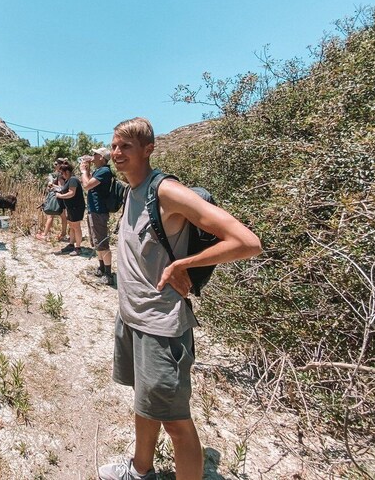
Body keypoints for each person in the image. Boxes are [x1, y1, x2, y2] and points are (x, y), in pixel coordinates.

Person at [98, 118, 262, 480]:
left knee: (176, 423)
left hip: (162, 327)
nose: (117, 153)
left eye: (126, 146)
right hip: (132, 318)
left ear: (148, 149)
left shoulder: (166, 191)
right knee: (144, 399)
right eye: (114, 146)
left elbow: (247, 241)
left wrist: (185, 264)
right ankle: (140, 469)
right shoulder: (130, 193)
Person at [79, 147, 114, 285]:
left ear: (101, 157)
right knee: (97, 242)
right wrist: (87, 171)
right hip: (94, 210)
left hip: (99, 211)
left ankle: (108, 274)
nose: (92, 156)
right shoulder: (99, 171)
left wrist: (83, 171)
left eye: (95, 154)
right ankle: (101, 268)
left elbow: (86, 185)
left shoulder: (104, 171)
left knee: (102, 243)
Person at [55, 162, 85, 256]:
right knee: (71, 226)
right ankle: (71, 244)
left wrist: (60, 196)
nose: (61, 175)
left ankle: (78, 248)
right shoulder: (69, 180)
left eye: (62, 172)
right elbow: (64, 189)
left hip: (76, 207)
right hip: (71, 207)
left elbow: (71, 193)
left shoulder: (73, 180)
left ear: (67, 171)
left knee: (76, 227)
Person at [36, 158, 68, 241]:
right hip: (62, 198)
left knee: (50, 215)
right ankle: (63, 234)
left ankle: (45, 234)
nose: (54, 166)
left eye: (56, 164)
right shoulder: (63, 174)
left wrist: (52, 185)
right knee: (63, 216)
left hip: (58, 197)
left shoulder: (60, 175)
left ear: (60, 165)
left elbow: (61, 188)